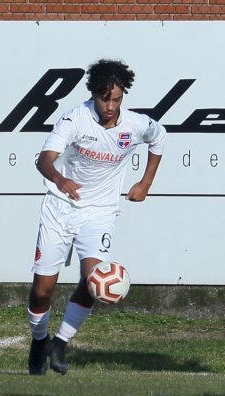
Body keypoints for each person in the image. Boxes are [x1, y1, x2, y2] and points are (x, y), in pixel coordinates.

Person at [26, 60, 166, 375]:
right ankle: (39, 340)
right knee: (42, 290)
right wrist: (60, 179)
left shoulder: (135, 124)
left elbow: (160, 138)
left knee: (93, 282)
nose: (110, 106)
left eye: (116, 99)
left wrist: (145, 183)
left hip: (100, 213)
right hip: (60, 209)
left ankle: (61, 342)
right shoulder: (74, 119)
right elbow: (45, 159)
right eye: (105, 99)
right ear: (94, 94)